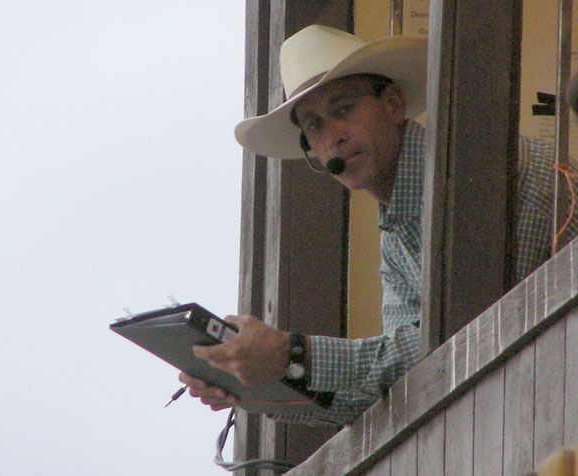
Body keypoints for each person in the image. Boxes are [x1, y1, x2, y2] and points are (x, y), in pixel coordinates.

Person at [179, 25, 578, 426]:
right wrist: (254, 382)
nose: (332, 136)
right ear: (310, 150)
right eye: (314, 126)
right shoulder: (398, 231)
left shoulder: (477, 170)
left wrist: (292, 354)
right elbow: (400, 383)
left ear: (393, 104)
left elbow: (457, 343)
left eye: (343, 109)